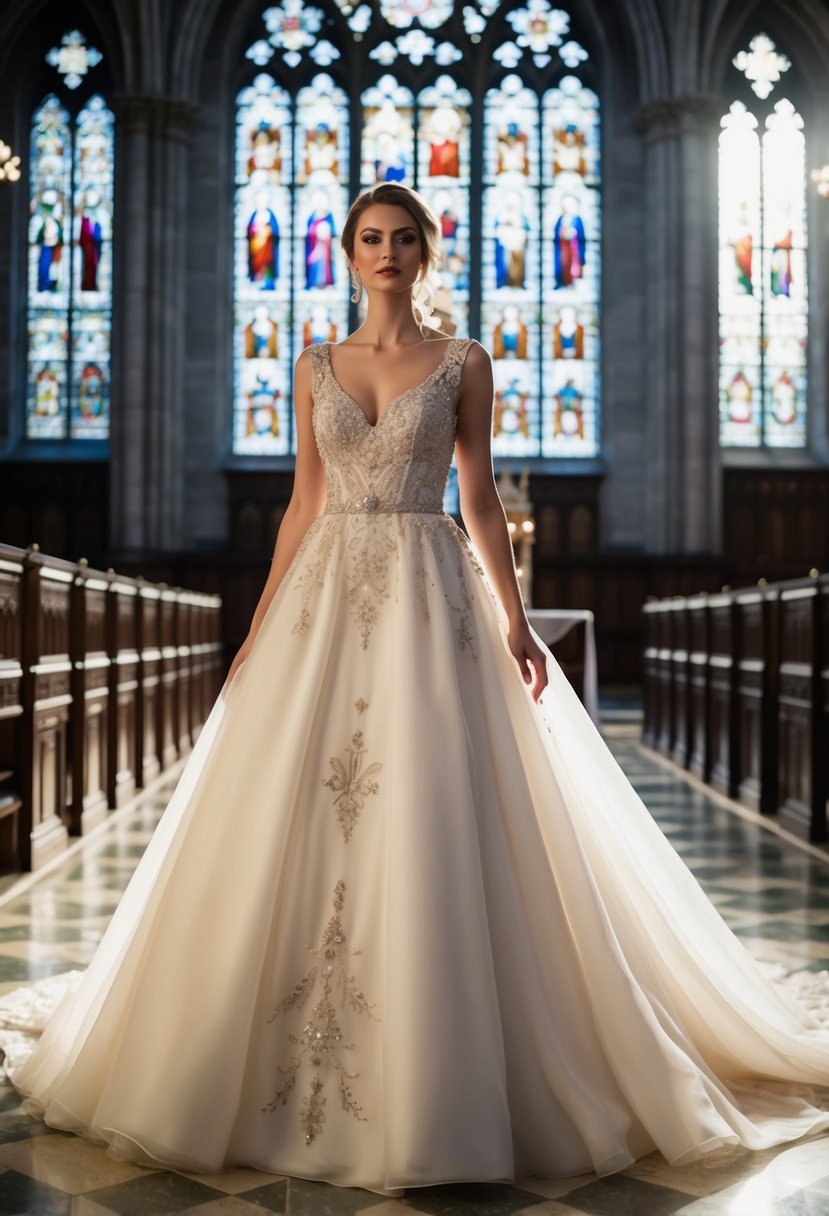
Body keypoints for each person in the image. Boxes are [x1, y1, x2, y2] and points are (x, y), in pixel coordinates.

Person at [1, 182, 829, 1201]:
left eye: (402, 239)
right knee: (290, 812)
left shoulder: (464, 363)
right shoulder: (314, 364)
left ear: (425, 252)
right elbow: (304, 502)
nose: (385, 252)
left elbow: (477, 496)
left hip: (430, 595)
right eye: (369, 239)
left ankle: (443, 1063)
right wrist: (258, 629)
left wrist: (517, 622)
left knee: (433, 805)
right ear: (346, 253)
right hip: (323, 598)